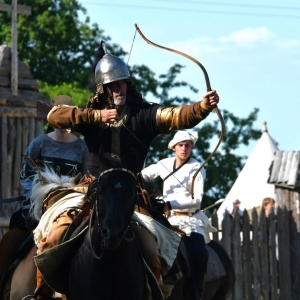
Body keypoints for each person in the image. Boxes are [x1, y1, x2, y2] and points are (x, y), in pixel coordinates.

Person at [34, 42, 220, 298]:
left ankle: (152, 294)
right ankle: (40, 293)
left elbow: (178, 116)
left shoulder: (144, 115)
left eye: (122, 82)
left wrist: (202, 107)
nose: (118, 88)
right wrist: (95, 117)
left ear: (128, 84)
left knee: (156, 248)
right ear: (103, 89)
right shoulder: (92, 115)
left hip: (133, 197)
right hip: (90, 189)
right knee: (54, 235)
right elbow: (54, 117)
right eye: (112, 84)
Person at [141, 130, 217, 299]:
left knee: (199, 253)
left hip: (190, 220)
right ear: (174, 147)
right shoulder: (164, 164)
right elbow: (143, 175)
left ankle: (195, 295)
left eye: (187, 146)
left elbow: (196, 200)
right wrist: (153, 195)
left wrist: (169, 203)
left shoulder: (197, 167)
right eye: (180, 145)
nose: (184, 148)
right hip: (166, 219)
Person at [9, 95, 88, 233]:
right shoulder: (39, 143)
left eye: (67, 117)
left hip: (71, 205)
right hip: (39, 205)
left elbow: (86, 178)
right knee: (17, 230)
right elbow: (26, 174)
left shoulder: (82, 147)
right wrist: (36, 196)